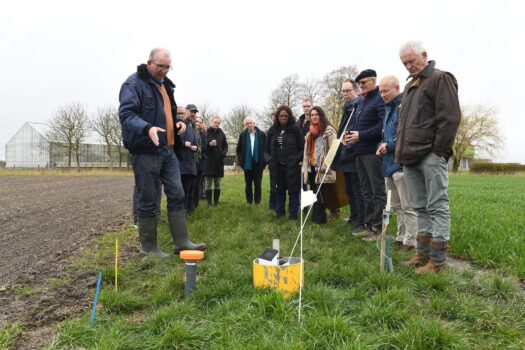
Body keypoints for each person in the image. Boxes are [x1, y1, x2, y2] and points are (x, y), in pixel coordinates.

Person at [119, 48, 206, 258]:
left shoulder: (165, 86)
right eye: (160, 67)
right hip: (146, 150)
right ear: (149, 63)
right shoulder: (133, 84)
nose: (164, 71)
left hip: (168, 150)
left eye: (168, 67)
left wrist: (176, 124)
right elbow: (127, 114)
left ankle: (182, 241)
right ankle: (149, 248)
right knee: (148, 199)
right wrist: (147, 127)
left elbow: (166, 115)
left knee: (177, 193)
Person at [396, 40, 461, 273]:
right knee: (419, 206)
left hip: (430, 155)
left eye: (411, 61)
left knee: (437, 206)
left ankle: (438, 262)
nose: (408, 66)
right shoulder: (410, 87)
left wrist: (437, 153)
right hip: (409, 156)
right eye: (405, 63)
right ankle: (422, 255)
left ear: (424, 55)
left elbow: (450, 118)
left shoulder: (440, 78)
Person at [344, 69, 387, 240]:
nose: (361, 86)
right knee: (365, 191)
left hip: (372, 153)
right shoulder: (362, 101)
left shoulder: (379, 99)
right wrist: (350, 135)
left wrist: (361, 135)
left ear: (374, 81)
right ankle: (369, 224)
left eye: (364, 83)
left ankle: (379, 228)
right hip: (359, 152)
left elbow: (381, 126)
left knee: (377, 190)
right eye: (359, 84)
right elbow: (358, 124)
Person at [376, 76, 417, 251]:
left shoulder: (403, 107)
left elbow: (405, 134)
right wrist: (380, 146)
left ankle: (411, 240)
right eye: (380, 91)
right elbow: (385, 136)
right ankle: (401, 236)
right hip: (387, 165)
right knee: (395, 206)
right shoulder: (387, 110)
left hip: (400, 164)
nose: (383, 94)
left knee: (407, 205)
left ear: (397, 88)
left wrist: (389, 145)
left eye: (386, 91)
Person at [333, 79, 365, 233]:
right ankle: (353, 216)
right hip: (344, 155)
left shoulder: (359, 105)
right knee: (349, 189)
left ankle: (361, 219)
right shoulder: (346, 108)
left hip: (354, 154)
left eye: (348, 90)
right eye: (343, 91)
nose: (345, 94)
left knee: (357, 188)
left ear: (355, 90)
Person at [265, 106, 304, 220]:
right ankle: (280, 214)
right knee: (279, 191)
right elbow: (266, 150)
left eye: (285, 116)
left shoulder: (295, 130)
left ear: (289, 116)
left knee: (293, 192)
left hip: (292, 167)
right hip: (277, 167)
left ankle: (293, 216)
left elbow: (302, 149)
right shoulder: (272, 131)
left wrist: (296, 159)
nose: (283, 118)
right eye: (281, 116)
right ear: (277, 117)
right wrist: (269, 160)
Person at [302, 106, 337, 224]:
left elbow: (334, 149)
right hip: (311, 168)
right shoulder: (310, 133)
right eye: (312, 115)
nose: (314, 117)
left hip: (322, 169)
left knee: (320, 196)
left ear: (321, 115)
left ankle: (320, 221)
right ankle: (315, 219)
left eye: (316, 114)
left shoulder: (329, 131)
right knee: (314, 195)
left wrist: (326, 166)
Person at [236, 116, 267, 206]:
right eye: (247, 123)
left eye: (250, 123)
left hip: (258, 163)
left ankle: (257, 202)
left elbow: (266, 149)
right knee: (248, 184)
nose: (249, 125)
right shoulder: (243, 135)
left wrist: (264, 162)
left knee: (258, 184)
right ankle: (249, 201)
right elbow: (238, 150)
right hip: (247, 164)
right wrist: (241, 161)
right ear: (245, 125)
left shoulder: (261, 134)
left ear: (254, 123)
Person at [177, 106, 198, 214]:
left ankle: (185, 210)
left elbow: (194, 142)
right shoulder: (173, 126)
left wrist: (195, 147)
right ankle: (178, 212)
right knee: (178, 190)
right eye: (178, 113)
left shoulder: (190, 127)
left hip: (189, 163)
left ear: (185, 114)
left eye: (182, 113)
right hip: (178, 163)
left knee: (188, 189)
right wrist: (183, 143)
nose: (180, 115)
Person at [204, 116, 228, 207]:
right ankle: (209, 203)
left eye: (218, 123)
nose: (217, 124)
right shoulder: (206, 132)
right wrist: (209, 144)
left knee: (217, 183)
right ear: (211, 122)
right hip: (208, 161)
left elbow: (225, 146)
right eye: (215, 122)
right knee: (208, 183)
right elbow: (202, 145)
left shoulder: (221, 133)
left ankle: (216, 202)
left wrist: (223, 154)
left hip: (218, 161)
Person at [194, 116, 207, 206]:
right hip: (190, 162)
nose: (197, 123)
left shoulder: (204, 134)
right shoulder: (190, 131)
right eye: (196, 121)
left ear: (202, 124)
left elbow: (205, 147)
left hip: (200, 162)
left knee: (198, 182)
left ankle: (196, 202)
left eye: (199, 122)